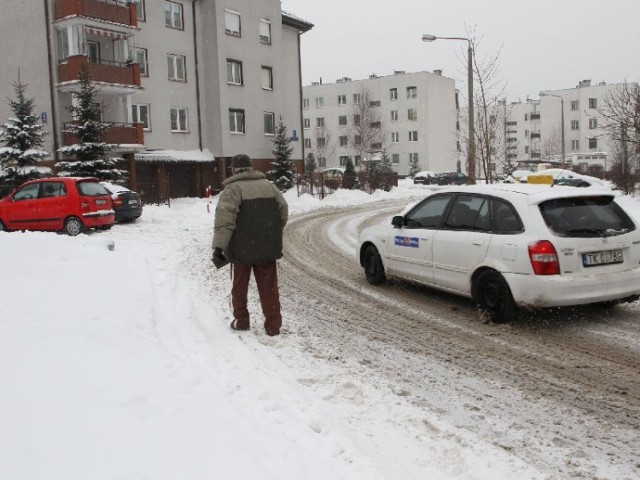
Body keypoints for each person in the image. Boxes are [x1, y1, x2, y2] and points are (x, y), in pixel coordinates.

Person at [212, 153, 289, 336]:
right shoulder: (269, 187)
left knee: (240, 285)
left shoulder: (232, 190)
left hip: (241, 249)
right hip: (266, 248)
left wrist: (219, 247)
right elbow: (283, 212)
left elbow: (225, 220)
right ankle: (273, 326)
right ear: (250, 167)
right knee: (269, 287)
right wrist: (270, 233)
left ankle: (242, 321)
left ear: (233, 169)